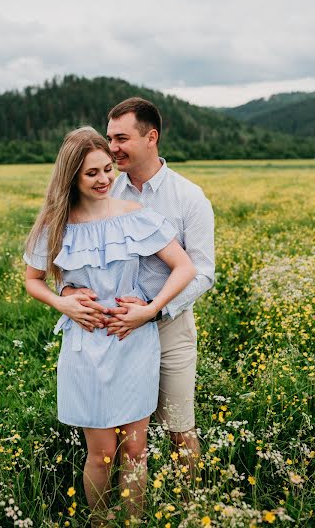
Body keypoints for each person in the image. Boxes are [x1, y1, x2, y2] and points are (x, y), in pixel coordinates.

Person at [23, 127, 197, 526]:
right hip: (85, 345)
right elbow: (33, 280)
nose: (103, 180)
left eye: (107, 169)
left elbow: (185, 267)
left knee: (136, 449)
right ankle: (100, 522)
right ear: (72, 178)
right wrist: (62, 300)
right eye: (91, 174)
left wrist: (151, 308)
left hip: (134, 341)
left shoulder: (136, 218)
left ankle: (132, 522)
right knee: (101, 452)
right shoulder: (56, 224)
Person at [62, 98, 215, 472]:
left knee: (180, 428)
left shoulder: (188, 197)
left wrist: (153, 310)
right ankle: (116, 507)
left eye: (121, 138)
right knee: (117, 438)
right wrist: (68, 292)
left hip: (169, 325)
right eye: (110, 138)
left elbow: (203, 271)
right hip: (114, 333)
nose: (112, 148)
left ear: (151, 137)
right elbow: (75, 254)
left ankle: (189, 505)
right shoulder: (105, 188)